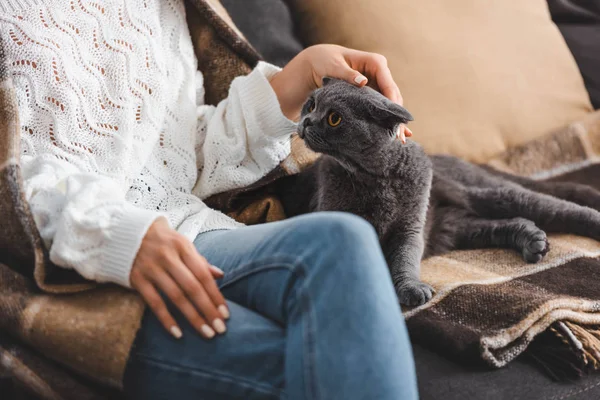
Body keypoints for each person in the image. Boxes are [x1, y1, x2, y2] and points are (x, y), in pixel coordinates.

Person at [2, 0, 418, 398]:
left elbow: (186, 152)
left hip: (185, 228)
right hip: (56, 267)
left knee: (342, 242)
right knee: (319, 354)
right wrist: (117, 234)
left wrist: (302, 73)